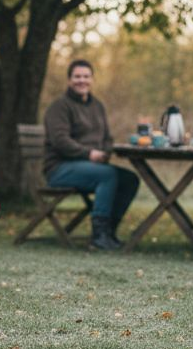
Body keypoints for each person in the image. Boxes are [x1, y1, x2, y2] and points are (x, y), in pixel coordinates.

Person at [43, 59, 140, 250]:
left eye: (86, 76)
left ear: (92, 79)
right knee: (107, 175)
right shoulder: (60, 107)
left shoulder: (97, 106)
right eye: (77, 76)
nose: (82, 80)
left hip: (92, 167)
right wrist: (89, 154)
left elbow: (107, 138)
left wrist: (105, 152)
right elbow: (60, 141)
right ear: (69, 80)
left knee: (130, 179)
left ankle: (109, 231)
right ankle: (98, 236)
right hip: (59, 168)